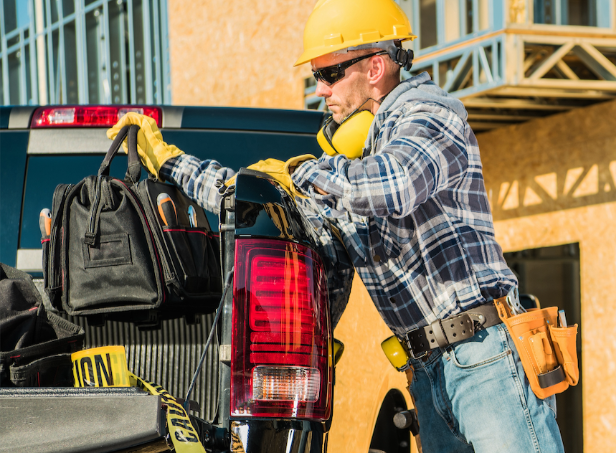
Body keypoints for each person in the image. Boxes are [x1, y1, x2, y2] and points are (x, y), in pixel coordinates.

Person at [107, 0, 564, 451]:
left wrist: (306, 172)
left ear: (375, 67)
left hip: (485, 355)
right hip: (427, 371)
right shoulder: (348, 171)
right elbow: (254, 200)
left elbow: (398, 183)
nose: (320, 89)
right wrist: (168, 160)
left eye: (328, 74)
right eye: (317, 77)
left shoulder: (431, 113)